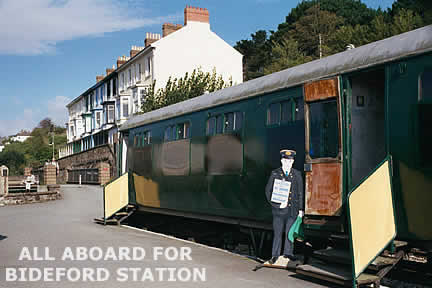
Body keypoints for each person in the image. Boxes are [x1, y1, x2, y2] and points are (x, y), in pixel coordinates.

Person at [265, 149, 304, 264]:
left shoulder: (297, 174)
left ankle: (288, 253)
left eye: (290, 161)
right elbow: (268, 191)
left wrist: (301, 209)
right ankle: (275, 255)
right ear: (282, 161)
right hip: (279, 211)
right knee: (277, 234)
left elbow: (300, 193)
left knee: (289, 233)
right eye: (286, 161)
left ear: (293, 162)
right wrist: (276, 204)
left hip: (292, 210)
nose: (288, 163)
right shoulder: (275, 173)